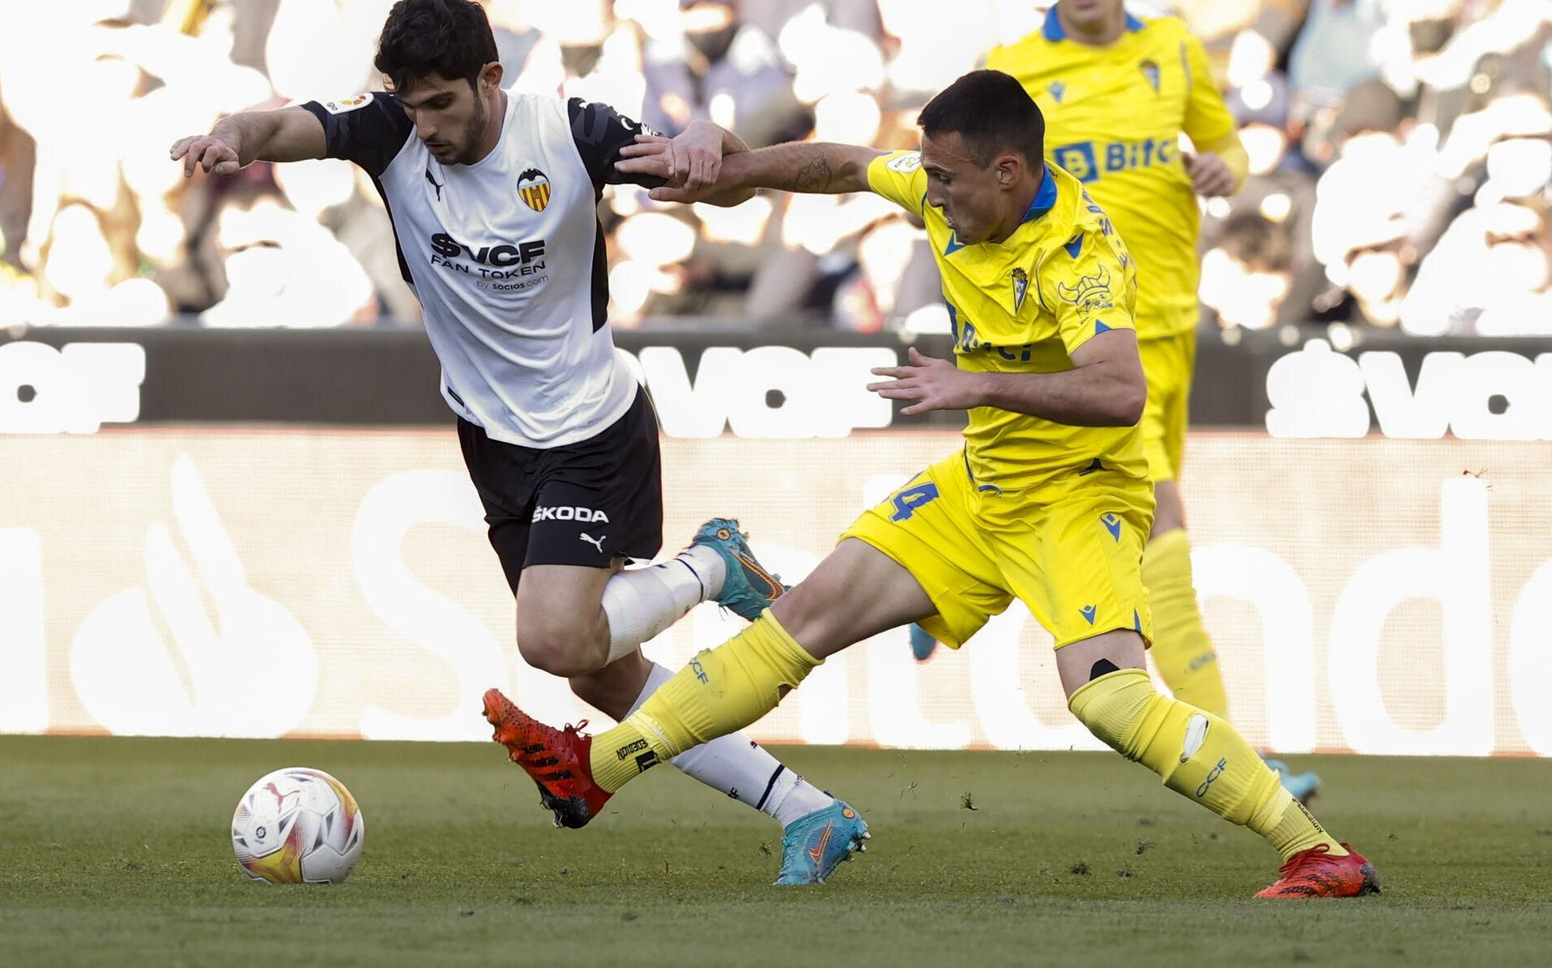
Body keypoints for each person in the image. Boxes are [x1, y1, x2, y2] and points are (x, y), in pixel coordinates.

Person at [482, 69, 1380, 899]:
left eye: (947, 180)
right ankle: (596, 771)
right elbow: (841, 165)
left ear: (1008, 170)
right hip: (981, 489)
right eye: (930, 177)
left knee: (1107, 696)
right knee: (800, 623)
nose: (932, 195)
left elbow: (1120, 390)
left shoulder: (1079, 256)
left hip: (1078, 497)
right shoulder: (951, 190)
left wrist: (973, 383)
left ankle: (1318, 852)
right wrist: (737, 166)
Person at [168, 0, 859, 885]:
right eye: (410, 105)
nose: (424, 127)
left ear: (490, 79)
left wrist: (711, 144)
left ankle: (712, 566)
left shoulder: (570, 134)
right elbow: (276, 126)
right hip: (493, 443)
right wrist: (230, 136)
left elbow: (718, 179)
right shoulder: (388, 133)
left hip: (590, 430)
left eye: (442, 104)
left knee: (554, 642)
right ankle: (812, 814)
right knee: (602, 678)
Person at [976, 0, 1320, 799]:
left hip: (1171, 323)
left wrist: (1225, 170)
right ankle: (1245, 757)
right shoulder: (1011, 74)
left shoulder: (1171, 46)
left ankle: (943, 602)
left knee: (1101, 514)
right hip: (1077, 345)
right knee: (1163, 524)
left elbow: (1228, 145)